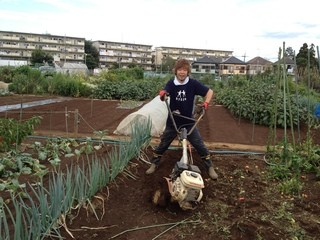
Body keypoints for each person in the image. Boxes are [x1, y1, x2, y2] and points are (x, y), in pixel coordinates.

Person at [146, 58, 218, 180]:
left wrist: (206, 103)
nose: (182, 72)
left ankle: (209, 166)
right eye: (180, 69)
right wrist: (163, 95)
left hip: (188, 122)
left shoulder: (193, 84)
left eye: (184, 70)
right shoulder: (171, 84)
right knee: (163, 144)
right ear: (176, 71)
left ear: (188, 71)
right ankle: (154, 163)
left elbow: (209, 92)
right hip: (173, 122)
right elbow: (164, 97)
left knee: (199, 145)